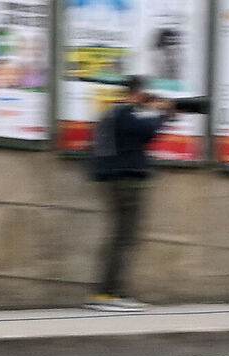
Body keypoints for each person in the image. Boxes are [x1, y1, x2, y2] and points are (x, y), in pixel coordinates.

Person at [87, 75, 210, 312]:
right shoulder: (123, 114)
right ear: (136, 93)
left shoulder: (115, 113)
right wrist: (166, 112)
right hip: (125, 182)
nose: (146, 99)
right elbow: (148, 132)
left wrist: (160, 109)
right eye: (144, 95)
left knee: (122, 238)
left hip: (119, 180)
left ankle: (113, 292)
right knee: (124, 239)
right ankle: (105, 294)